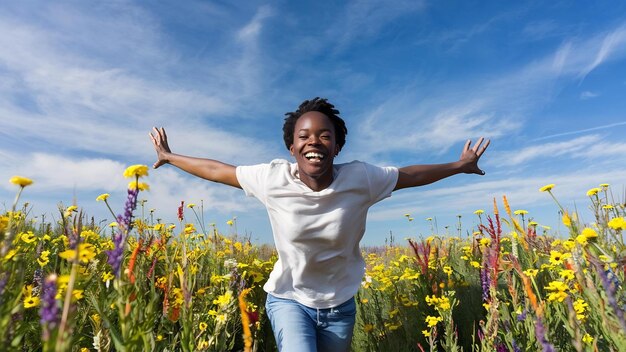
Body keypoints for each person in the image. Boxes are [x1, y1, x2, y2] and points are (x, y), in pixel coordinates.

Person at [149, 97, 490, 352]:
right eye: (304, 136)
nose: (314, 141)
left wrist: (459, 165)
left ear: (337, 146)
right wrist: (170, 156)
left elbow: (410, 175)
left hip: (340, 304)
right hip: (289, 299)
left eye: (324, 135)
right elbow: (217, 170)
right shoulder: (272, 178)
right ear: (292, 146)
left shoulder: (362, 178)